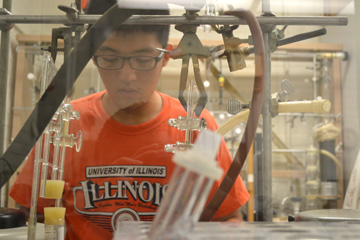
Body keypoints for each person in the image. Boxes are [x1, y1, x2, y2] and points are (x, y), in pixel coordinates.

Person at [9, 1, 249, 239]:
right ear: (91, 56)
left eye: (143, 60)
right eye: (110, 59)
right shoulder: (63, 125)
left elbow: (229, 219)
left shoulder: (195, 124)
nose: (127, 76)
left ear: (166, 56)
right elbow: (30, 217)